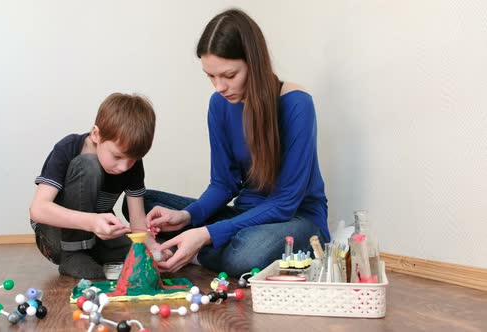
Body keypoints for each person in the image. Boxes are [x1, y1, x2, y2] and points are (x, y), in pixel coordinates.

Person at [140, 9, 329, 277]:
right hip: (243, 218)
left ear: (254, 64)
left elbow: (285, 202)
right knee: (143, 206)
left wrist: (205, 234)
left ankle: (191, 251)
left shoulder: (297, 104)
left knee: (245, 256)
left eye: (229, 76)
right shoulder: (219, 104)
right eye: (210, 76)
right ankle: (197, 246)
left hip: (297, 221)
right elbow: (223, 184)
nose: (219, 87)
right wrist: (188, 217)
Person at [29, 92, 170, 279]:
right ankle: (74, 254)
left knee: (141, 258)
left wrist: (153, 248)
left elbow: (137, 219)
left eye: (132, 160)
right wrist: (92, 221)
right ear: (96, 134)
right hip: (55, 239)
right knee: (88, 165)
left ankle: (89, 255)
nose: (124, 167)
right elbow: (38, 210)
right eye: (117, 157)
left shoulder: (131, 164)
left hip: (95, 237)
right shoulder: (68, 147)